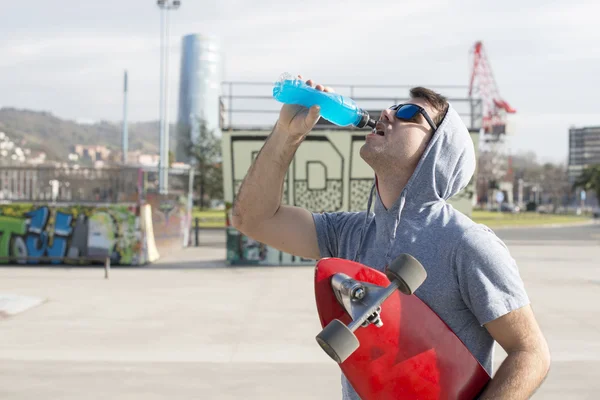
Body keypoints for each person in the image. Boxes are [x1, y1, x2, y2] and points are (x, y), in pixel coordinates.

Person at [231, 77, 551, 399]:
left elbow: (530, 353)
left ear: (438, 150)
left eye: (410, 113)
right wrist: (287, 133)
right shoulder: (350, 234)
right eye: (393, 107)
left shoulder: (466, 244)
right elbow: (254, 219)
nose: (387, 113)